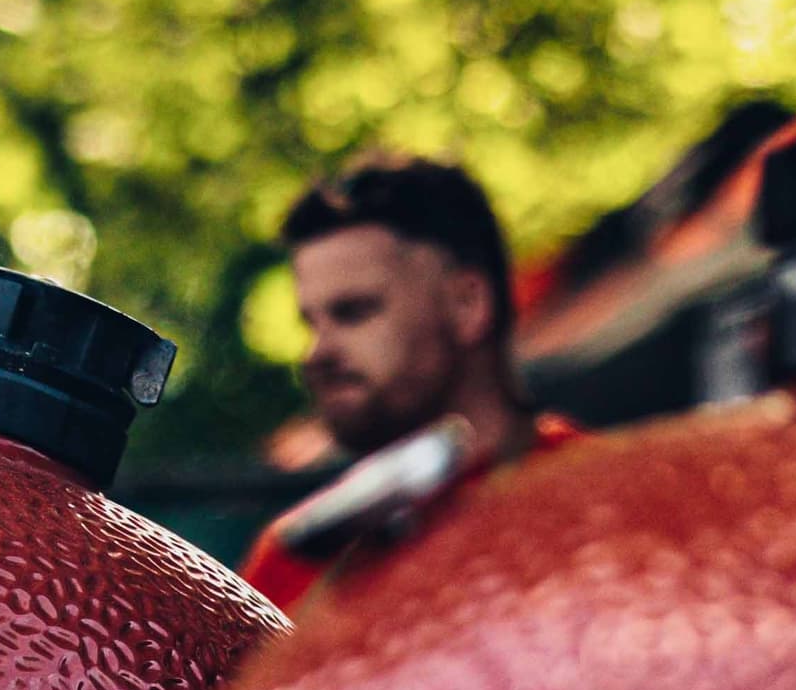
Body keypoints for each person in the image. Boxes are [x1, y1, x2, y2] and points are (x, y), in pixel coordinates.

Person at [239, 154, 580, 613]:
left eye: (354, 312)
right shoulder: (293, 558)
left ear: (466, 304)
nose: (315, 353)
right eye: (311, 324)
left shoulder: (605, 498)